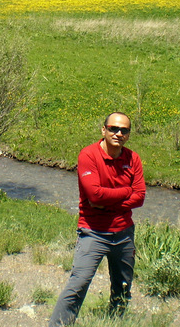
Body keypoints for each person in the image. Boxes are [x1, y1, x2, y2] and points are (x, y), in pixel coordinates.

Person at [48, 112, 146, 326]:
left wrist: (108, 201)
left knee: (122, 286)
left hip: (124, 233)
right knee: (79, 283)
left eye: (124, 130)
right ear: (103, 130)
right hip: (93, 232)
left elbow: (140, 198)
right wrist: (126, 191)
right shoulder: (88, 155)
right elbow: (94, 196)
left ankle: (115, 322)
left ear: (129, 134)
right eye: (113, 128)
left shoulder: (133, 158)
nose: (118, 133)